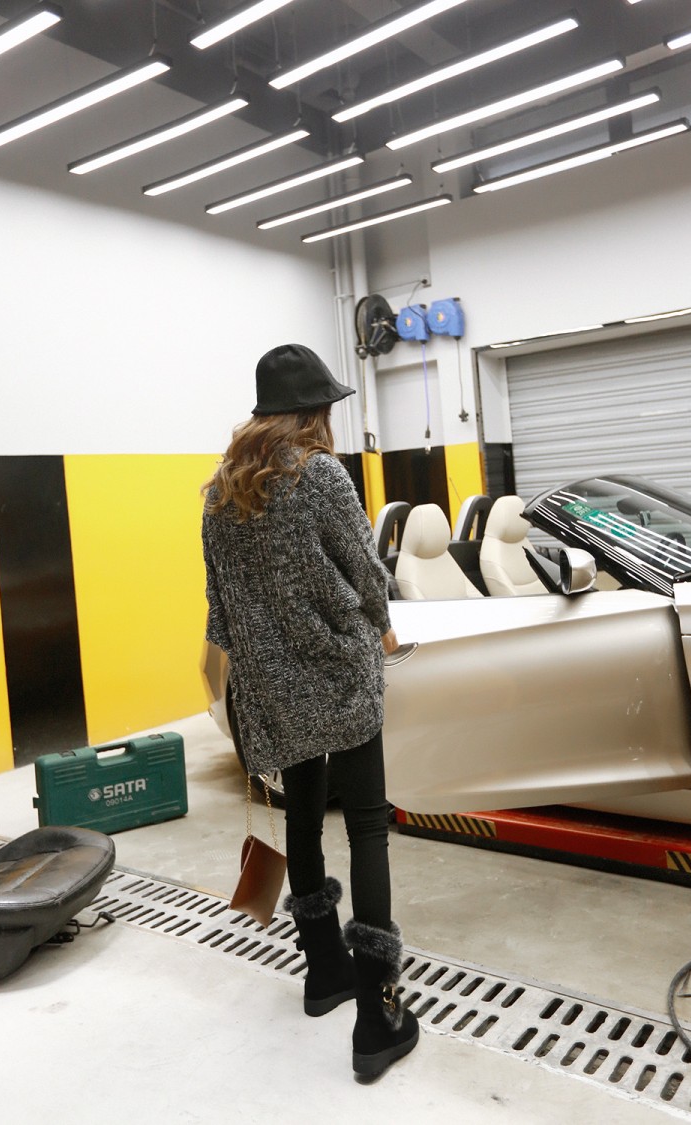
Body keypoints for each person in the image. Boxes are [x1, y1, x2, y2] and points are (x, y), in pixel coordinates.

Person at [201, 343, 419, 1079]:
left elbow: (219, 609)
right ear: (312, 413)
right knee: (367, 827)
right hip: (340, 676)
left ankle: (323, 971)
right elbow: (367, 572)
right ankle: (377, 1017)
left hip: (272, 688)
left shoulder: (220, 492)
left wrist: (259, 668)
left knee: (302, 816)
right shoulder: (320, 475)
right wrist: (384, 629)